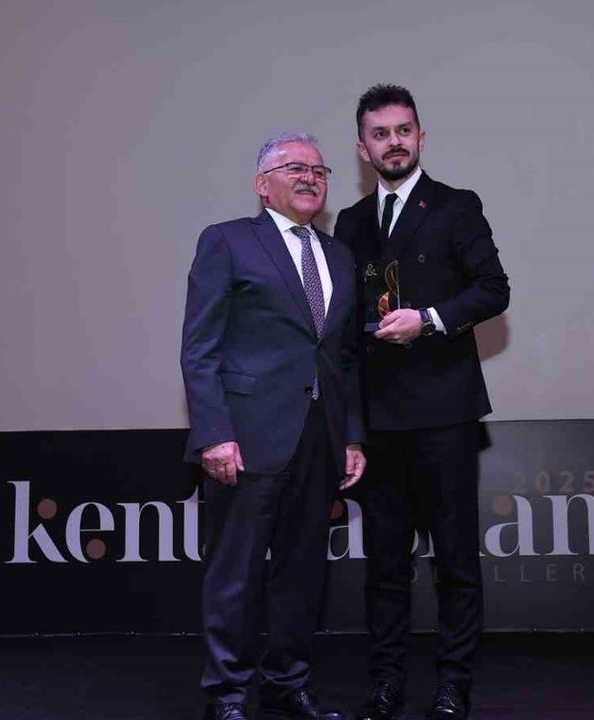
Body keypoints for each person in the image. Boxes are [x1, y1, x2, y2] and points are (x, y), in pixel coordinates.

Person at [333, 85, 510, 720]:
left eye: (403, 130)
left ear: (421, 136)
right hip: (378, 422)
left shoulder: (457, 206)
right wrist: (348, 427)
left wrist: (429, 319)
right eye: (380, 134)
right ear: (363, 148)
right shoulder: (350, 223)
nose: (394, 142)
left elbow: (493, 289)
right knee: (384, 566)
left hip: (444, 416)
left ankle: (453, 685)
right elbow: (343, 331)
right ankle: (386, 685)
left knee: (456, 562)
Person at [181, 131, 366, 720]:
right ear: (263, 185)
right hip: (247, 437)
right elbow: (200, 349)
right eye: (294, 168)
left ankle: (288, 683)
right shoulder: (228, 241)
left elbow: (342, 358)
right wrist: (214, 433)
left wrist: (352, 435)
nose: (310, 177)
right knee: (235, 574)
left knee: (302, 572)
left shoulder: (339, 256)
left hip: (320, 437)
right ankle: (227, 695)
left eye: (319, 170)